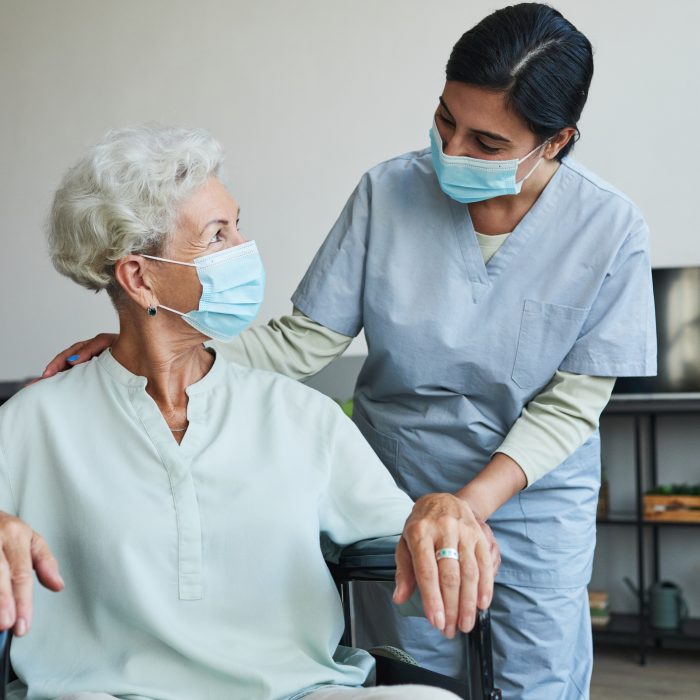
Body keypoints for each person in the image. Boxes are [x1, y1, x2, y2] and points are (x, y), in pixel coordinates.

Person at [19, 3, 658, 698]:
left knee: (539, 677)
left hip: (532, 493)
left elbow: (574, 402)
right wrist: (146, 352)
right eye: (446, 120)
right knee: (422, 661)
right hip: (397, 476)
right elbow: (306, 339)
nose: (453, 150)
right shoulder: (388, 192)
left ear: (556, 142)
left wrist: (468, 504)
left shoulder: (609, 227)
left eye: (487, 142)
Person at [0, 124, 482, 700]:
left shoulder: (303, 416)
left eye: (237, 224)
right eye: (216, 234)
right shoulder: (32, 422)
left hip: (297, 692)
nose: (245, 249)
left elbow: (407, 530)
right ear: (138, 276)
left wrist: (438, 510)